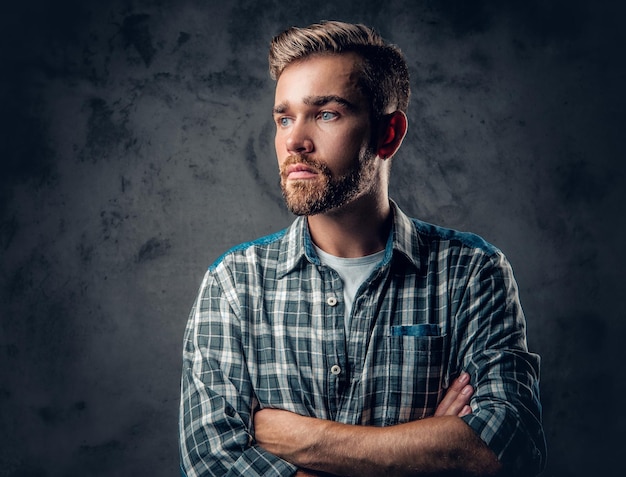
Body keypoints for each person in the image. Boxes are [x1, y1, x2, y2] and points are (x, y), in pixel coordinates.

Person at [179, 20, 546, 477]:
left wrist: (303, 440)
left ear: (387, 134)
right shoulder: (235, 284)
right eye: (284, 117)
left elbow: (510, 450)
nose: (294, 140)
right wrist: (428, 450)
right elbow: (210, 466)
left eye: (327, 113)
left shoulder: (472, 274)